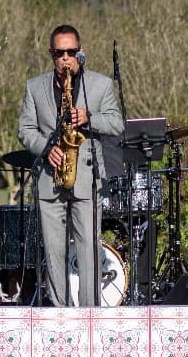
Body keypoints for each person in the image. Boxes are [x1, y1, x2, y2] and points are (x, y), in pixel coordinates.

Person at [18, 24, 124, 306]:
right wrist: (46, 148)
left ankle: (90, 314)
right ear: (51, 53)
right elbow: (26, 130)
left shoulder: (99, 85)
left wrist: (89, 116)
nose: (66, 58)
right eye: (59, 52)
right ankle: (61, 314)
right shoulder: (34, 86)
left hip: (87, 176)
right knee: (53, 252)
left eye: (71, 52)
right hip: (50, 177)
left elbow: (116, 124)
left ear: (80, 52)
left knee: (89, 248)